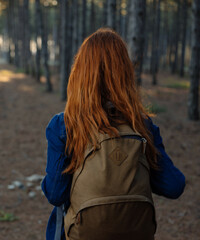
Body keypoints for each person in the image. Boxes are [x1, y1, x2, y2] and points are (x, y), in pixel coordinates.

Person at [41, 28, 185, 240]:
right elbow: (174, 186)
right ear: (125, 73)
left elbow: (55, 194)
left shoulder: (65, 124)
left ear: (80, 72)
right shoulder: (142, 124)